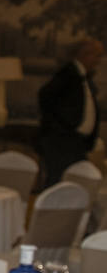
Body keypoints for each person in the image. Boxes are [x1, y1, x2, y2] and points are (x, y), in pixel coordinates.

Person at [38, 37, 104, 186]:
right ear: (84, 54)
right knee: (59, 183)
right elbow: (45, 96)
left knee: (79, 183)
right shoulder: (68, 73)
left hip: (77, 143)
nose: (99, 60)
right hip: (63, 142)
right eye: (97, 55)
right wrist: (64, 125)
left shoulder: (83, 77)